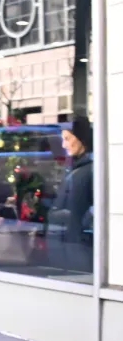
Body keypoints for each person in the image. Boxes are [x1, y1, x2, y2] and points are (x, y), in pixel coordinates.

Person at [47, 115, 94, 274]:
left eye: (67, 138)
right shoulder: (74, 167)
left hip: (79, 248)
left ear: (81, 138)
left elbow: (93, 211)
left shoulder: (91, 169)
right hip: (66, 245)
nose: (63, 144)